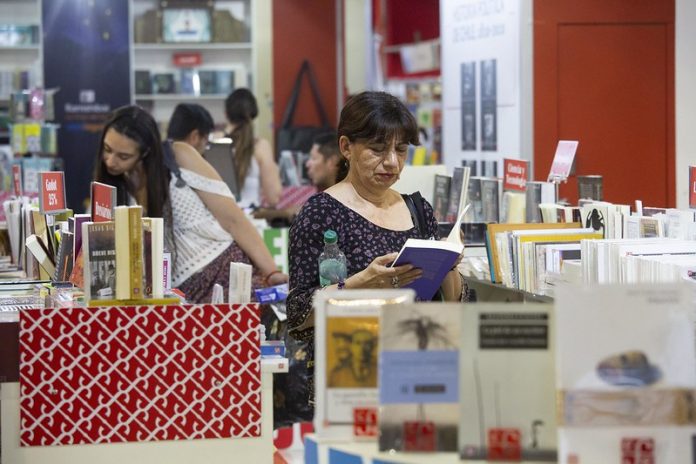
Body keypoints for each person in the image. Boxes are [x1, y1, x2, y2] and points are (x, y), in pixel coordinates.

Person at [286, 90, 467, 412]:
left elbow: (451, 305)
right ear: (346, 148)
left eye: (401, 149)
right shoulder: (321, 213)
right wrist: (361, 283)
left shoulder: (417, 208)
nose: (392, 162)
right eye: (378, 149)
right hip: (351, 373)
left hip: (418, 368)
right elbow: (298, 314)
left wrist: (449, 262)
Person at [93, 105, 288, 303]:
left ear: (145, 152)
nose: (110, 161)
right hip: (179, 294)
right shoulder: (112, 190)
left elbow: (234, 220)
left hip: (228, 273)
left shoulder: (178, 157)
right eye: (107, 150)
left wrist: (271, 272)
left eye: (124, 156)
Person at [225, 88, 282, 208]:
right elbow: (273, 197)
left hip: (218, 220)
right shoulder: (261, 147)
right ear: (254, 113)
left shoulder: (214, 144)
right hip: (250, 219)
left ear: (226, 114)